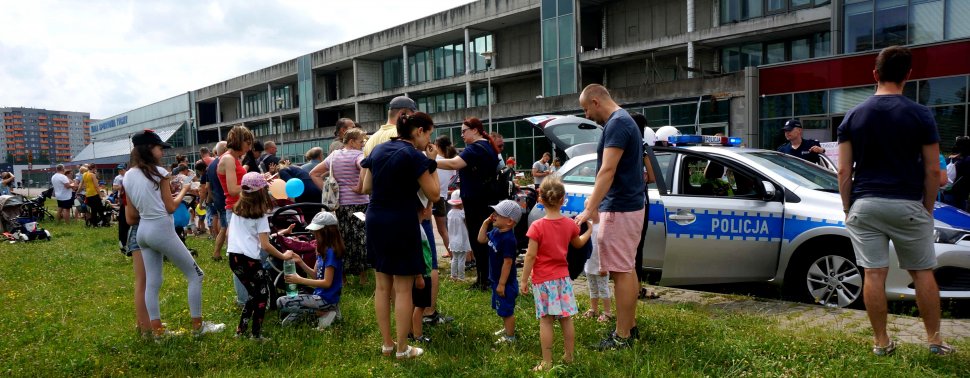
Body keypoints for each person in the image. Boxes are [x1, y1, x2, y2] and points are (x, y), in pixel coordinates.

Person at [837, 46, 953, 356]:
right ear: (908, 76)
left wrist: (849, 207)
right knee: (922, 272)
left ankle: (881, 343)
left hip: (865, 204)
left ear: (874, 74)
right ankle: (935, 341)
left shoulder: (853, 115)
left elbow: (844, 169)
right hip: (907, 203)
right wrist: (927, 208)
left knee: (873, 273)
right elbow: (932, 169)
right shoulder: (920, 114)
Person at [123, 129, 225, 337]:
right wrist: (185, 191)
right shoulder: (159, 173)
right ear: (149, 149)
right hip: (161, 228)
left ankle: (158, 332)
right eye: (160, 148)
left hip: (142, 232)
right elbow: (170, 207)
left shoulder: (128, 176)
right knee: (196, 275)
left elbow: (131, 214)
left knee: (153, 282)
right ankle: (198, 327)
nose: (162, 152)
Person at [360, 111, 439, 359]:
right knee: (403, 289)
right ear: (419, 132)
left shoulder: (379, 150)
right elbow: (434, 193)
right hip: (401, 219)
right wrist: (432, 162)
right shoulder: (415, 156)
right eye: (429, 133)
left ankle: (387, 345)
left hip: (375, 217)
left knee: (382, 286)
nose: (429, 140)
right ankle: (403, 348)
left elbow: (366, 187)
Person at [574, 84, 646, 350]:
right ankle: (630, 325)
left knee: (620, 271)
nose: (586, 115)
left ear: (595, 101)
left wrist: (590, 208)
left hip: (620, 208)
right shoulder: (625, 121)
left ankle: (622, 335)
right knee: (626, 268)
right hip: (627, 205)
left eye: (585, 109)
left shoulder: (617, 124)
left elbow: (608, 170)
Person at [521, 178, 593, 370]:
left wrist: (523, 280)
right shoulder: (569, 225)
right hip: (563, 279)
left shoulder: (536, 226)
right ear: (563, 200)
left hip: (543, 280)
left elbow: (530, 256)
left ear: (540, 199)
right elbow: (578, 244)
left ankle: (546, 362)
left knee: (546, 320)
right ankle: (569, 356)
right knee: (566, 318)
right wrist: (590, 231)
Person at [226, 172, 295, 340]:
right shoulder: (261, 215)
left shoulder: (237, 211)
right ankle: (255, 334)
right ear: (262, 192)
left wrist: (282, 232)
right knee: (262, 295)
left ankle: (241, 331)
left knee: (252, 294)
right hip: (250, 260)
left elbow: (245, 235)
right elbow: (265, 245)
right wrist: (284, 256)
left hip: (234, 258)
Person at [435, 117, 501, 290]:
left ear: (475, 130)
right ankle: (487, 277)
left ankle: (483, 280)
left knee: (477, 239)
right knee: (487, 239)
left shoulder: (474, 148)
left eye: (464, 131)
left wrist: (430, 161)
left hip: (476, 201)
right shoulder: (488, 145)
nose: (462, 134)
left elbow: (454, 163)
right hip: (487, 199)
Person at [310, 127, 370, 284]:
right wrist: (359, 187)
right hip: (359, 204)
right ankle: (363, 277)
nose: (363, 144)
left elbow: (313, 174)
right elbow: (364, 166)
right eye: (361, 141)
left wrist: (327, 190)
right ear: (352, 141)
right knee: (361, 239)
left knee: (342, 238)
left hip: (341, 205)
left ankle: (343, 278)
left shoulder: (334, 156)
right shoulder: (358, 155)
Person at [276, 212, 345, 330]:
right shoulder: (321, 249)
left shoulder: (331, 253)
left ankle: (325, 312)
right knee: (286, 324)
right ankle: (322, 313)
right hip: (318, 296)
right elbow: (316, 276)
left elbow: (326, 283)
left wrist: (300, 280)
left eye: (316, 231)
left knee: (281, 302)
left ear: (326, 232)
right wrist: (300, 262)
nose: (313, 233)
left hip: (326, 299)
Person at [476, 199, 522, 345]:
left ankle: (510, 337)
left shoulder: (508, 239)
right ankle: (507, 329)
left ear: (509, 221)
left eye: (498, 214)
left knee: (507, 311)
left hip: (506, 282)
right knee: (501, 308)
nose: (494, 216)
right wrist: (485, 223)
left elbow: (508, 262)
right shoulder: (496, 232)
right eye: (494, 213)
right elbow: (481, 239)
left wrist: (502, 284)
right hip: (496, 279)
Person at [219, 126, 254, 306]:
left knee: (246, 256)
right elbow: (233, 189)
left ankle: (246, 296)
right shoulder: (228, 159)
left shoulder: (233, 159)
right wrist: (257, 183)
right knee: (241, 258)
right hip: (235, 210)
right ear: (240, 140)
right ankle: (243, 299)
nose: (249, 147)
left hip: (239, 209)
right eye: (248, 143)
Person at [434, 135, 458, 257]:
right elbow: (450, 180)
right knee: (444, 229)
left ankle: (450, 254)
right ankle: (452, 254)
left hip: (431, 195)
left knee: (429, 228)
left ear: (437, 146)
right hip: (442, 197)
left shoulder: (435, 159)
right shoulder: (451, 161)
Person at [582, 225, 613, 322]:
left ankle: (607, 312)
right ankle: (594, 309)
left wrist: (606, 264)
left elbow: (608, 246)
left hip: (601, 265)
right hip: (590, 263)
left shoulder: (604, 225)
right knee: (592, 288)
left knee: (603, 288)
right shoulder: (587, 225)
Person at [205, 141, 228, 261]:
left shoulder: (211, 165)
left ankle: (217, 253)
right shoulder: (224, 162)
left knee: (224, 226)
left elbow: (208, 186)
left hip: (218, 198)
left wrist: (212, 197)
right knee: (227, 227)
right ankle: (226, 252)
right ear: (225, 150)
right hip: (226, 198)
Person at [446, 190, 470, 280]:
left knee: (454, 258)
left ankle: (453, 275)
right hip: (461, 240)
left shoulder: (449, 213)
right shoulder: (462, 213)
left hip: (452, 239)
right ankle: (461, 277)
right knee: (461, 260)